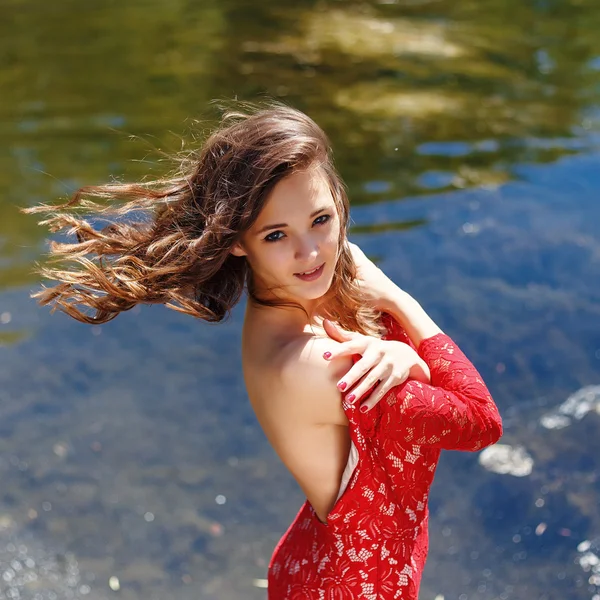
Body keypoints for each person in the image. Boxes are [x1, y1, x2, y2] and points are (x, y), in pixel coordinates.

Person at [23, 101, 503, 599]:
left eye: (320, 218)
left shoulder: (292, 299)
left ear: (338, 201)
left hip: (314, 559)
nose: (311, 252)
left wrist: (410, 362)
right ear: (236, 242)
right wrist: (405, 306)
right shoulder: (323, 366)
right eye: (277, 235)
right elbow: (482, 422)